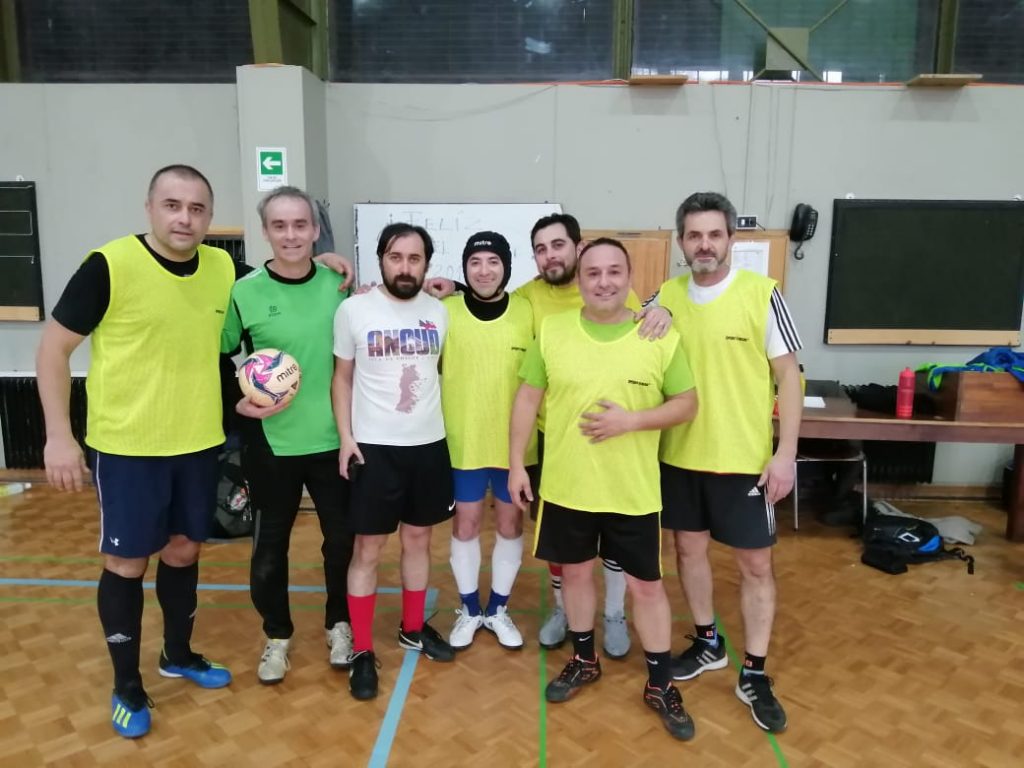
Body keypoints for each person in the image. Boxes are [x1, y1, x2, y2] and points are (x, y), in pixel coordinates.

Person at [36, 165, 235, 739]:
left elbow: (275, 284)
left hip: (198, 442)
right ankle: (126, 684)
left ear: (209, 216)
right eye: (172, 205)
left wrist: (326, 265)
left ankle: (178, 653)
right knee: (127, 562)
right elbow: (53, 350)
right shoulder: (109, 265)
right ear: (149, 208)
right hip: (128, 448)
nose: (184, 218)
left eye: (197, 209)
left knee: (184, 551)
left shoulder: (223, 268)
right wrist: (58, 436)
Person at [427, 212, 673, 658]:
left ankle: (613, 614)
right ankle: (562, 610)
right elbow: (488, 303)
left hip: (615, 436)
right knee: (565, 541)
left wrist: (664, 310)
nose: (550, 256)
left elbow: (645, 319)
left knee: (614, 540)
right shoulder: (528, 298)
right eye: (541, 249)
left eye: (558, 245)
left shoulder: (613, 291)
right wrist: (455, 287)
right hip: (549, 438)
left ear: (578, 248)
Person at [508, 238, 699, 741]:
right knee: (574, 575)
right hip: (567, 487)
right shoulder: (553, 331)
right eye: (593, 273)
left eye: (614, 271)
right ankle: (584, 659)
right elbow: (527, 399)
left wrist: (631, 421)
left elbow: (687, 404)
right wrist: (516, 465)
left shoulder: (657, 334)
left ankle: (660, 683)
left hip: (633, 492)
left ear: (630, 278)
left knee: (647, 587)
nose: (604, 281)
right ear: (580, 280)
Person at [657, 192, 802, 735]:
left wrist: (785, 454)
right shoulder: (665, 296)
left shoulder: (762, 294)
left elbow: (789, 377)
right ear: (681, 242)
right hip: (680, 457)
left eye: (714, 234)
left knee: (756, 566)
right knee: (687, 550)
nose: (705, 245)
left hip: (745, 462)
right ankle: (707, 643)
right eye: (694, 235)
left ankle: (755, 672)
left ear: (731, 240)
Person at [221, 186, 355, 685]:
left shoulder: (340, 285)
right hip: (271, 445)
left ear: (315, 230)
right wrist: (233, 402)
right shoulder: (245, 292)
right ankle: (277, 635)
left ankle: (339, 624)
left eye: (300, 224)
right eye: (280, 225)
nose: (291, 234)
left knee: (340, 542)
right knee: (269, 550)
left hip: (335, 440)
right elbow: (220, 353)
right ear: (265, 232)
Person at [332, 222, 457, 701]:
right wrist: (346, 438)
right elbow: (342, 378)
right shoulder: (354, 309)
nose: (405, 267)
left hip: (428, 446)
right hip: (373, 449)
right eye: (395, 257)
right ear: (381, 259)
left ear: (427, 263)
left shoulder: (440, 312)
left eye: (414, 258)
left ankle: (412, 628)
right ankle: (363, 649)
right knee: (367, 549)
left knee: (419, 540)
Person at [442, 231, 535, 650]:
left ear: (506, 267)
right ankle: (469, 609)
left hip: (515, 447)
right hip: (463, 444)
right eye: (475, 262)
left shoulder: (527, 311)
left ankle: (497, 609)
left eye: (493, 262)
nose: (484, 270)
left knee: (510, 524)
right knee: (466, 524)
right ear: (465, 268)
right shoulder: (445, 311)